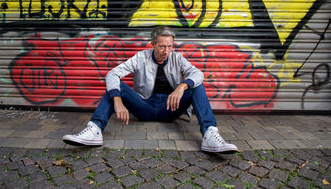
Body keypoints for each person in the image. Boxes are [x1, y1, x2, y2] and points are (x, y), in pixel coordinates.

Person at [63, 26, 237, 153]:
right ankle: (95, 129)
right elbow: (112, 74)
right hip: (144, 106)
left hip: (171, 108)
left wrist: (182, 86)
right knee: (116, 85)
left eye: (170, 46)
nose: (166, 51)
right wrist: (117, 100)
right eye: (162, 46)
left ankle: (210, 134)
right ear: (152, 44)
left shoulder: (177, 58)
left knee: (196, 85)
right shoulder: (141, 57)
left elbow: (198, 74)